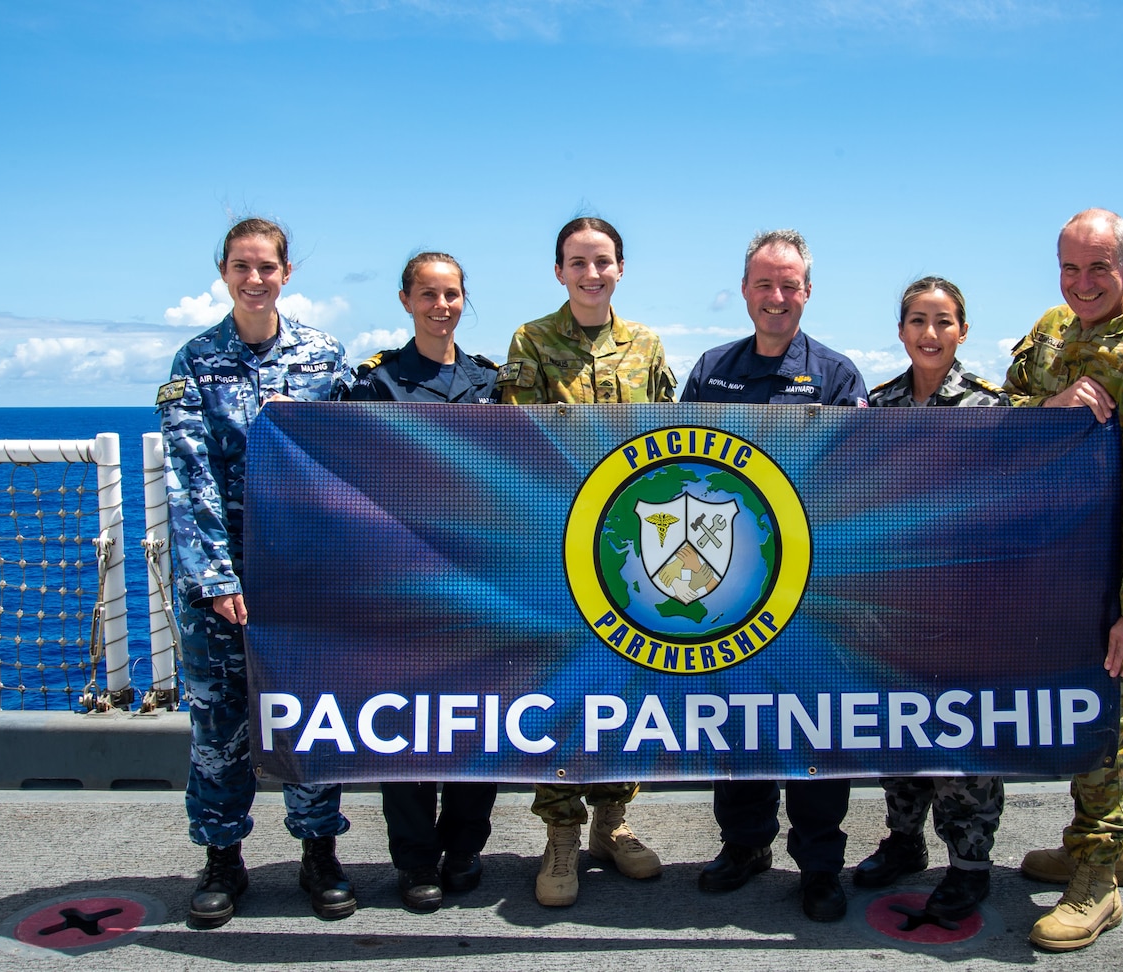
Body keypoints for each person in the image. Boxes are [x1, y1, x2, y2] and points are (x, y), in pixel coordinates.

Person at [1003, 209, 1123, 952]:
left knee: (1107, 713)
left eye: (1099, 269)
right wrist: (1048, 408)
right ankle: (1106, 841)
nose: (1083, 284)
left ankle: (1099, 880)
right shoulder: (1051, 330)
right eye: (1071, 268)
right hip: (1052, 560)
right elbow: (1002, 409)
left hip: (1110, 572)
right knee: (1087, 707)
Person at [158, 218, 353, 928]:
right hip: (223, 583)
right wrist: (217, 578)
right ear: (224, 271)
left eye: (266, 266)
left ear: (286, 272)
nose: (254, 278)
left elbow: (345, 469)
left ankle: (319, 853)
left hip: (301, 578)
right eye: (242, 266)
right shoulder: (194, 361)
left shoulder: (324, 359)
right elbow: (191, 477)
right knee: (220, 726)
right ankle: (221, 859)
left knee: (308, 716)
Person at [681, 228, 867, 923]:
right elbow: (682, 476)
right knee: (739, 728)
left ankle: (820, 865)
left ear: (808, 292)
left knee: (816, 733)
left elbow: (852, 481)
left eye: (790, 284)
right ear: (745, 291)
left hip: (813, 595)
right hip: (731, 591)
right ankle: (745, 847)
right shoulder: (710, 370)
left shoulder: (838, 376)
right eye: (765, 283)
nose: (777, 296)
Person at [497, 216, 674, 907]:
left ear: (621, 269)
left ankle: (612, 821)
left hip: (629, 550)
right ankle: (561, 836)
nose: (590, 273)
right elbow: (519, 443)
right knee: (563, 685)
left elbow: (668, 438)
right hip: (559, 549)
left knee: (628, 683)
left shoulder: (648, 345)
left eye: (602, 261)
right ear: (559, 271)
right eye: (577, 262)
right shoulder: (531, 341)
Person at [337, 251, 500, 912]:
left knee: (476, 726)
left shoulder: (490, 382)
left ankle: (463, 849)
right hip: (402, 584)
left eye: (452, 294)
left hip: (479, 584)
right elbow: (343, 476)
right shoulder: (377, 384)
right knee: (407, 732)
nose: (441, 306)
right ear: (405, 301)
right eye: (428, 295)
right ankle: (414, 861)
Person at [852, 276, 1010, 924]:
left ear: (963, 331)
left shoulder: (988, 407)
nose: (930, 333)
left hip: (960, 603)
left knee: (960, 737)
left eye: (944, 321)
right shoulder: (879, 405)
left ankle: (970, 864)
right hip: (892, 603)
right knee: (899, 732)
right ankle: (903, 841)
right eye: (918, 320)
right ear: (901, 330)